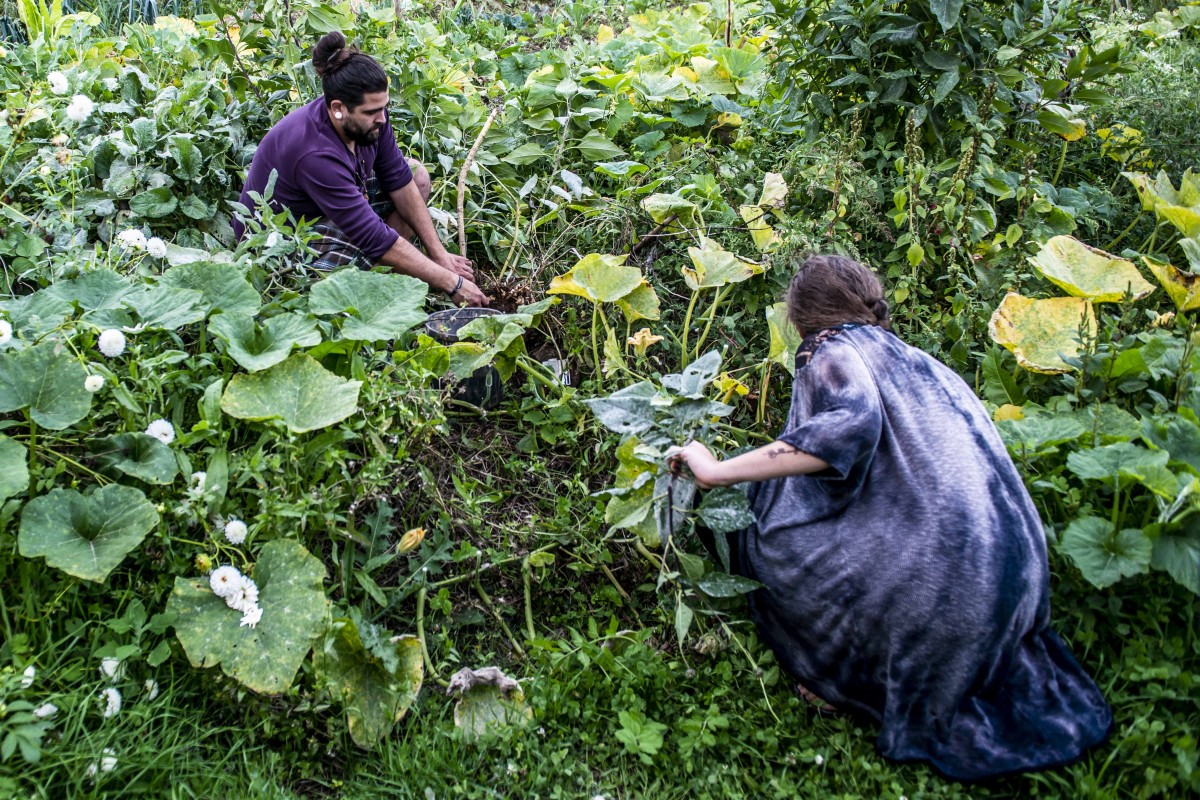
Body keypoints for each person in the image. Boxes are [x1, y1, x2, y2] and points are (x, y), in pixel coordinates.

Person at [666, 254, 1111, 780]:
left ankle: (835, 679)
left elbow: (847, 429)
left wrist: (716, 471)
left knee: (761, 528)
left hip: (948, 609)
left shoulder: (829, 349)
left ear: (801, 317)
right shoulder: (921, 360)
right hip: (1017, 584)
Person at [233, 31, 488, 307]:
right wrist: (452, 283)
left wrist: (439, 255)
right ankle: (366, 293)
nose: (382, 118)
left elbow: (400, 181)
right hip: (277, 242)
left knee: (417, 174)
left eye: (384, 107)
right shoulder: (315, 153)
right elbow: (372, 235)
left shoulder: (372, 119)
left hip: (323, 210)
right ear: (338, 108)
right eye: (371, 112)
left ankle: (383, 280)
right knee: (340, 277)